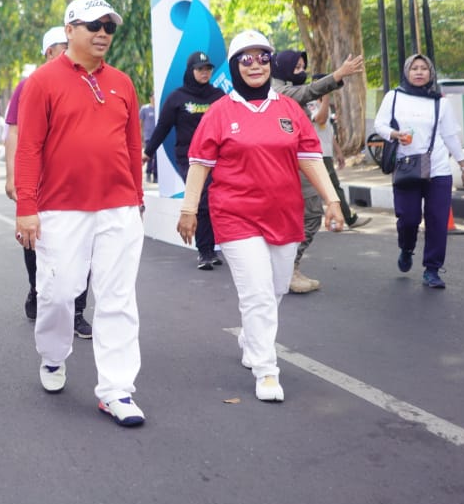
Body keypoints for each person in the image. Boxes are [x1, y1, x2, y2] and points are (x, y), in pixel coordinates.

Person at [178, 30, 344, 403]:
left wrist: (332, 200)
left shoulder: (289, 109)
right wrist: (189, 209)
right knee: (257, 292)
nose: (256, 65)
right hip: (235, 214)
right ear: (234, 65)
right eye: (247, 59)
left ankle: (251, 338)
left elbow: (310, 158)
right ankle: (266, 370)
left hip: (284, 213)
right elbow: (200, 164)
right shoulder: (220, 111)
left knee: (276, 288)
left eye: (263, 57)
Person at [15, 0, 146, 428]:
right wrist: (26, 208)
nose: (103, 33)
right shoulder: (41, 82)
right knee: (58, 293)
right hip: (61, 209)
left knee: (118, 299)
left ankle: (116, 390)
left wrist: (137, 199)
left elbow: (132, 146)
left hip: (119, 208)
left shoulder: (122, 82)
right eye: (94, 25)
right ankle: (53, 356)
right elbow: (28, 149)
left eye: (109, 26)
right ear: (70, 29)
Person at [5, 26, 93, 337]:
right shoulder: (31, 84)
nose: (68, 51)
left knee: (84, 247)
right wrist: (12, 176)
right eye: (61, 46)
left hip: (82, 184)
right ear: (48, 52)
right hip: (41, 183)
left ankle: (77, 310)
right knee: (36, 241)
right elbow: (15, 133)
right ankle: (38, 289)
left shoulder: (90, 81)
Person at [269, 48, 364, 293]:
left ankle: (290, 267)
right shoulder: (277, 90)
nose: (301, 71)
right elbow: (307, 91)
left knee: (309, 214)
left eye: (303, 67)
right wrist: (337, 75)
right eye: (296, 67)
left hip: (303, 161)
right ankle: (285, 270)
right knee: (304, 215)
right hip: (283, 165)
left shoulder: (286, 87)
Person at [374, 54, 464, 289]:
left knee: (437, 220)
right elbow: (380, 124)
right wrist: (394, 134)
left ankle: (432, 269)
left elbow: (449, 136)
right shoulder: (394, 97)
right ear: (407, 72)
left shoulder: (440, 102)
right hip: (407, 165)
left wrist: (463, 166)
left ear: (431, 73)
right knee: (408, 219)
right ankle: (406, 248)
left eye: (424, 68)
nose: (419, 72)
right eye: (414, 68)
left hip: (437, 167)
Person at [142, 51, 226, 270]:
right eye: (200, 69)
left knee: (214, 200)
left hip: (216, 158)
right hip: (189, 158)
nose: (205, 72)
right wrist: (147, 153)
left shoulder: (219, 96)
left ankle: (211, 248)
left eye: (208, 69)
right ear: (191, 71)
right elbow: (162, 128)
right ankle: (205, 252)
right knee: (201, 197)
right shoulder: (177, 97)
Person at [307, 90, 370, 230]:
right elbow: (320, 119)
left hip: (326, 153)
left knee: (332, 187)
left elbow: (328, 131)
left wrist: (338, 152)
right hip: (316, 153)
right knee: (333, 187)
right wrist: (325, 100)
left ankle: (342, 218)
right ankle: (349, 218)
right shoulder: (310, 104)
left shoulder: (324, 104)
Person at [139, 96, 157, 183]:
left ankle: (156, 175)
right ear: (150, 98)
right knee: (149, 155)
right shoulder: (145, 109)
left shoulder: (158, 109)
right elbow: (140, 123)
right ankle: (148, 173)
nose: (154, 99)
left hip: (157, 137)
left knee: (157, 157)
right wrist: (141, 135)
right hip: (148, 136)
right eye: (152, 97)